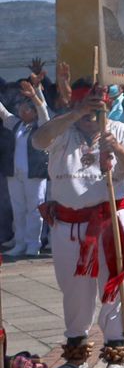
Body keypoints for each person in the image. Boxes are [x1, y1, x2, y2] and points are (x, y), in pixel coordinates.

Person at [33, 84, 124, 368]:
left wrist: (117, 149)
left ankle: (115, 354)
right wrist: (75, 113)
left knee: (115, 286)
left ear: (107, 108)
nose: (91, 114)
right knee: (73, 291)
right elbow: (38, 140)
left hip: (110, 219)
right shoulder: (63, 130)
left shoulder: (120, 131)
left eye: (97, 108)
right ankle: (76, 357)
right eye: (86, 107)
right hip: (69, 223)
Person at [1, 82, 51, 257]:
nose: (22, 111)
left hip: (34, 174)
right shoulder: (16, 125)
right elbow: (3, 112)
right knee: (18, 209)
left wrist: (35, 95)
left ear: (34, 112)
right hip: (15, 174)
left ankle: (33, 244)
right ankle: (20, 242)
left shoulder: (42, 126)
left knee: (34, 209)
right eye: (21, 109)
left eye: (26, 109)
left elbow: (44, 110)